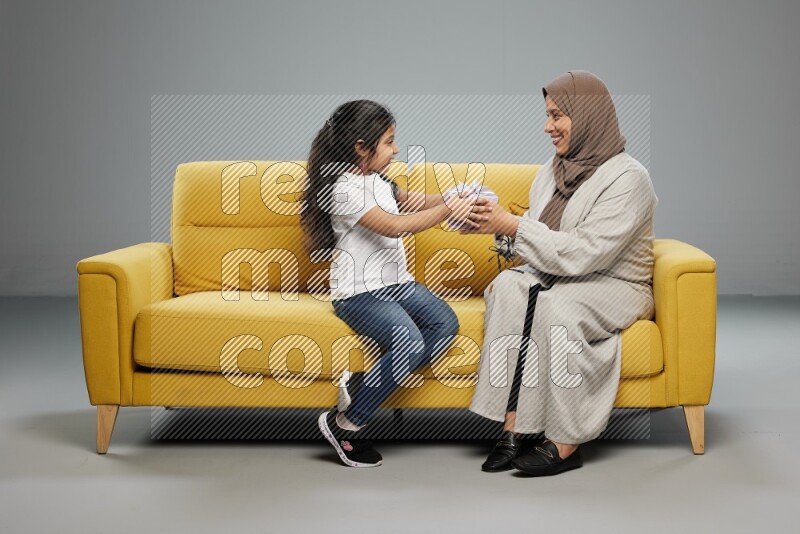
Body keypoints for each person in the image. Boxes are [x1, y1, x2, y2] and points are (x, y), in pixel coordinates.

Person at [461, 71, 658, 476]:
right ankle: (516, 424)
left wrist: (512, 226)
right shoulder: (551, 171)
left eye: (557, 115)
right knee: (509, 286)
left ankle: (567, 442)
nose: (547, 126)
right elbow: (541, 236)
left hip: (615, 283)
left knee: (558, 307)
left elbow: (586, 252)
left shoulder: (629, 178)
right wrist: (490, 224)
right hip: (566, 273)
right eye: (547, 115)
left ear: (587, 116)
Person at [301, 100, 488, 468]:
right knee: (407, 342)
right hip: (358, 292)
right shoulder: (342, 189)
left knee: (445, 323)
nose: (396, 149)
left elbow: (411, 202)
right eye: (388, 141)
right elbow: (394, 225)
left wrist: (455, 195)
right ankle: (346, 424)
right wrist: (448, 210)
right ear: (360, 147)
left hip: (396, 284)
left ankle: (360, 386)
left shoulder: (376, 179)